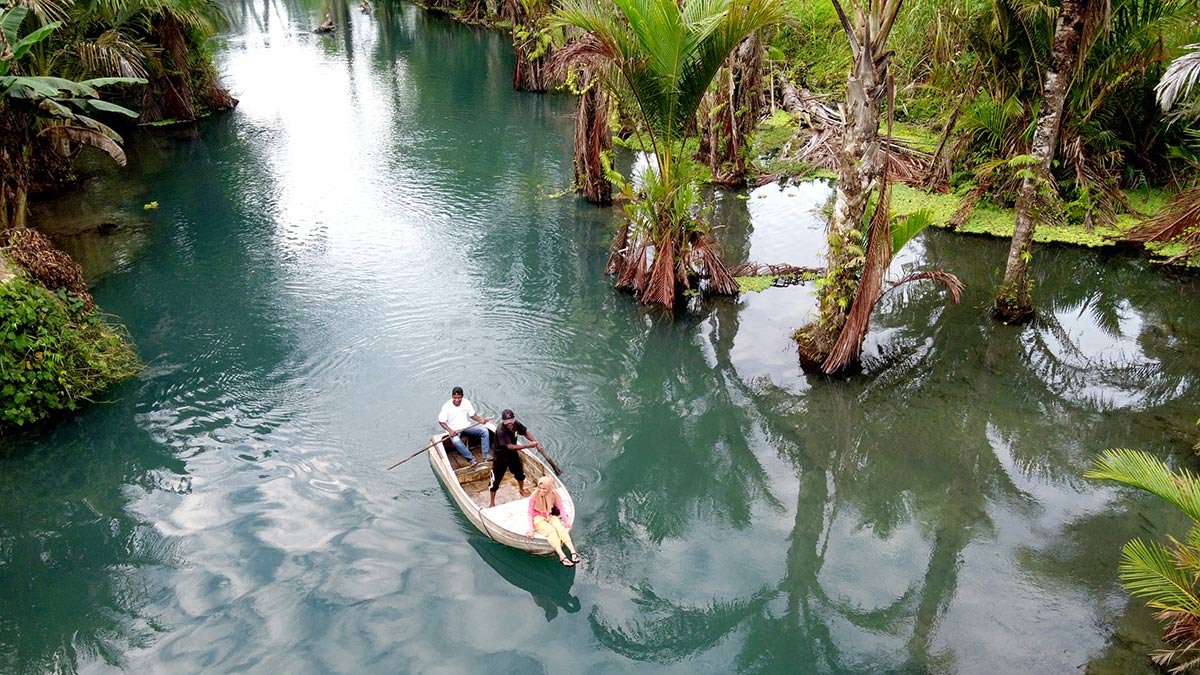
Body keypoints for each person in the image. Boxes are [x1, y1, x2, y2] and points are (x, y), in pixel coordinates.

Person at [488, 408, 539, 507]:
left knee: (520, 473)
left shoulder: (516, 424)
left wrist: (536, 443)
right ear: (503, 421)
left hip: (513, 455)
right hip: (500, 458)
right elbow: (510, 446)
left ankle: (521, 490)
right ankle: (492, 502)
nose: (510, 424)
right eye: (507, 422)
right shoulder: (500, 430)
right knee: (495, 480)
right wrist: (528, 446)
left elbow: (525, 432)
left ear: (514, 419)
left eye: (511, 422)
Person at [526, 476, 579, 567]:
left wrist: (567, 522)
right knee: (551, 531)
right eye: (540, 488)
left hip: (549, 515)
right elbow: (530, 513)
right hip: (538, 518)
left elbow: (561, 508)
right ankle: (562, 556)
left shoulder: (554, 494)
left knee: (560, 529)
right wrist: (531, 529)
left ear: (549, 488)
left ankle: (573, 552)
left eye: (544, 489)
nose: (542, 491)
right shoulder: (534, 496)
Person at [437, 386, 491, 465]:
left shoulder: (466, 402)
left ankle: (486, 455)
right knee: (456, 441)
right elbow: (441, 421)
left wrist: (481, 420)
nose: (457, 400)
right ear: (452, 396)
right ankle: (471, 459)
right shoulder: (446, 406)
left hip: (466, 426)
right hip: (454, 430)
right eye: (455, 397)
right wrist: (450, 431)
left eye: (459, 398)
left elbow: (472, 415)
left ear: (462, 396)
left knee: (484, 431)